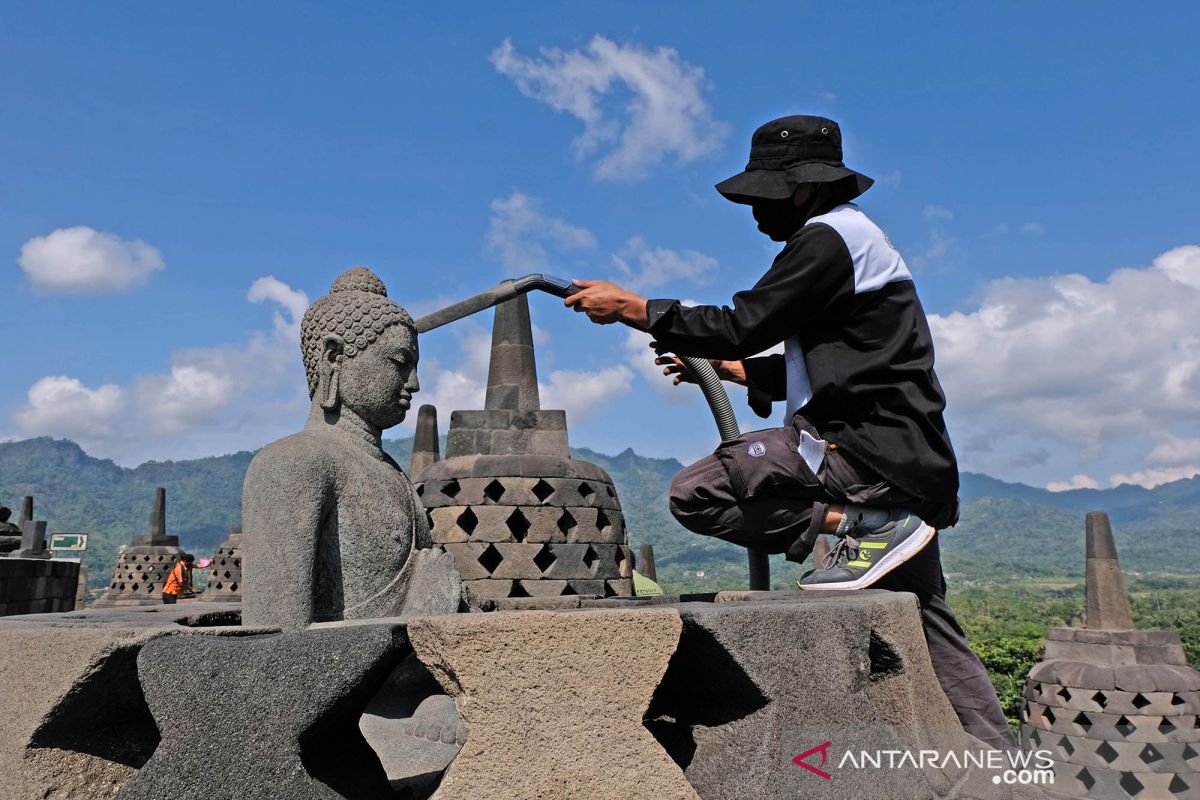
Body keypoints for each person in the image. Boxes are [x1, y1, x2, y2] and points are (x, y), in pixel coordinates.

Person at [565, 115, 1013, 750]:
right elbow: (842, 362)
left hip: (861, 449)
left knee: (701, 490)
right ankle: (999, 761)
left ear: (803, 187)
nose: (754, 211)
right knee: (925, 619)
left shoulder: (829, 239)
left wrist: (637, 310)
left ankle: (860, 526)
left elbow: (744, 319)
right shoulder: (857, 243)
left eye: (762, 195)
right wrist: (731, 369)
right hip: (907, 458)